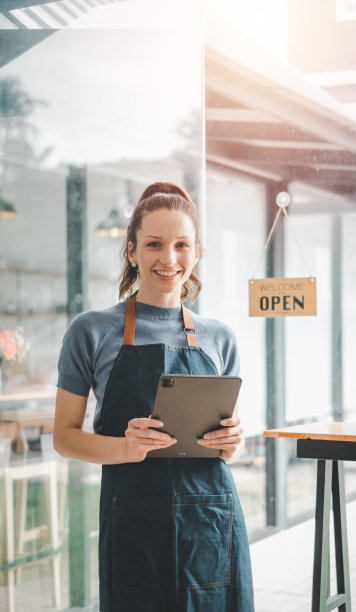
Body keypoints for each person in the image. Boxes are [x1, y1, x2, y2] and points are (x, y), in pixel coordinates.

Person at [54, 181, 254, 612]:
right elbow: (64, 437)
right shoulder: (90, 331)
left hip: (211, 521)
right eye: (154, 244)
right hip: (133, 521)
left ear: (197, 251)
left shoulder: (221, 337)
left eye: (182, 245)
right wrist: (125, 447)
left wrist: (235, 443)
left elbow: (232, 445)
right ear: (131, 251)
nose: (169, 259)